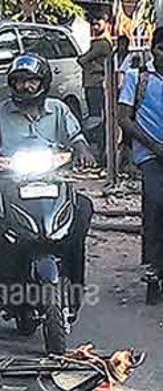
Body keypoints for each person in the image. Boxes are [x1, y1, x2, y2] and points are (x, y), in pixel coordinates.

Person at [0, 54, 96, 326]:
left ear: (43, 82)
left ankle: (74, 289)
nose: (26, 86)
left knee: (82, 213)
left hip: (54, 184)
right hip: (8, 187)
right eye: (20, 81)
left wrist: (84, 151)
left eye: (32, 81)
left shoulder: (59, 110)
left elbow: (77, 138)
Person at [118, 27, 163, 304]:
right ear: (153, 50)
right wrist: (154, 145)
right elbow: (124, 118)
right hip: (149, 155)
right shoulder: (138, 78)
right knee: (156, 207)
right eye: (161, 49)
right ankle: (154, 268)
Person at [78, 14, 112, 145]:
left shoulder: (101, 43)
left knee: (95, 114)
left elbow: (82, 59)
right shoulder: (100, 42)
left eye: (99, 22)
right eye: (93, 23)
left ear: (106, 24)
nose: (95, 25)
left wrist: (92, 66)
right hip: (94, 82)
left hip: (96, 83)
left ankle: (97, 143)